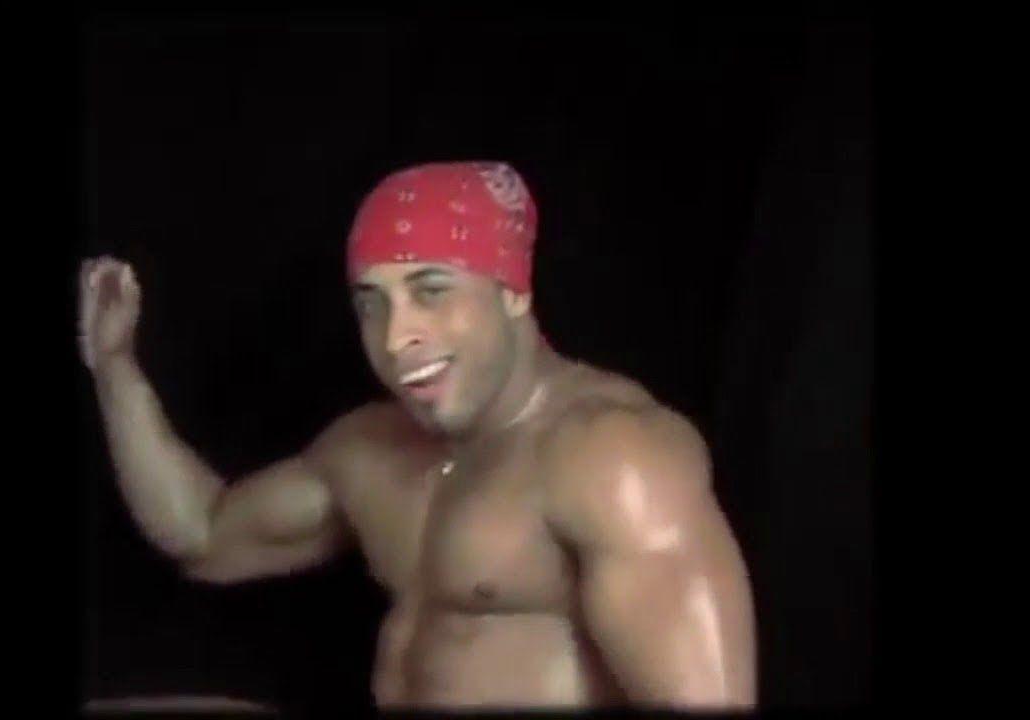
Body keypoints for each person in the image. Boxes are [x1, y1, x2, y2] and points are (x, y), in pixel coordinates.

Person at [79, 161, 756, 710]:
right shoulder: (369, 450)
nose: (396, 337)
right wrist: (114, 367)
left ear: (513, 291)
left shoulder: (611, 457)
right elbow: (204, 536)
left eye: (431, 291)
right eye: (372, 305)